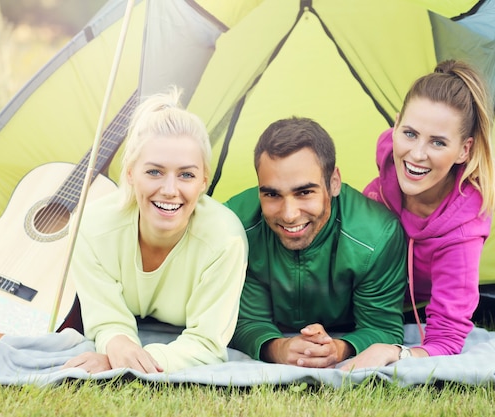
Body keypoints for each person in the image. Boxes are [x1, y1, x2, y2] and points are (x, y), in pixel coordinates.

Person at [340, 60, 495, 370]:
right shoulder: (390, 160)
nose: (417, 154)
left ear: (464, 150)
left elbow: (445, 340)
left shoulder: (461, 232)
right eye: (409, 133)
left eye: (437, 142)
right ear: (396, 126)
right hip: (340, 287)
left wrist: (396, 353)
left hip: (385, 310)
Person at [62, 87, 248, 374]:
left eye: (186, 174)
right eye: (154, 172)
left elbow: (207, 343)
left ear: (204, 182)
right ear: (130, 174)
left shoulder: (226, 239)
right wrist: (118, 345)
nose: (170, 190)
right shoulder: (91, 227)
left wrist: (121, 363)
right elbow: (107, 320)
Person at [225, 116, 407, 368]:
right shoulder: (235, 227)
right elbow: (241, 320)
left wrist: (339, 349)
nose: (289, 214)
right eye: (272, 194)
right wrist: (277, 348)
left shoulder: (378, 236)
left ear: (333, 182)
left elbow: (382, 327)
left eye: (304, 192)